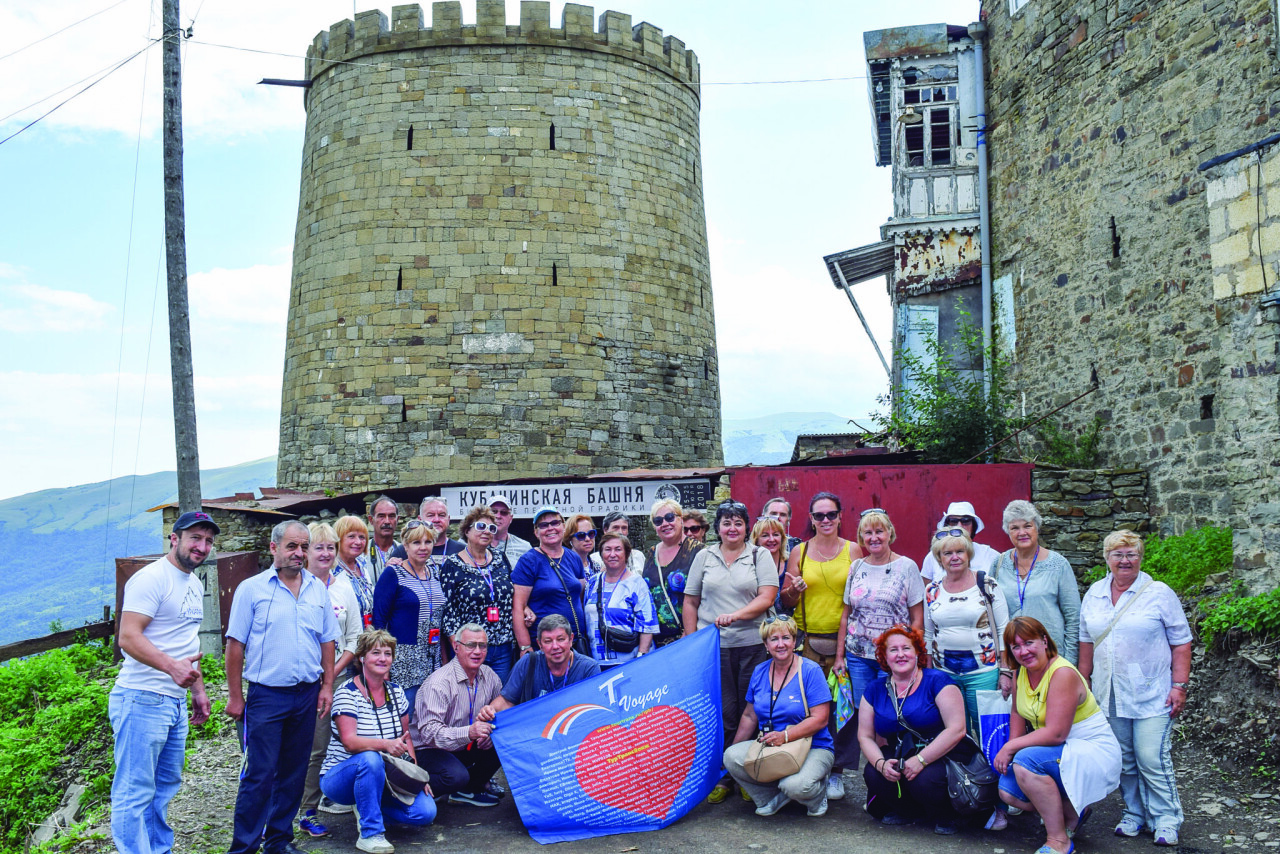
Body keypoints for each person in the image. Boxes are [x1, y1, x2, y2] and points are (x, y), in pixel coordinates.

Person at [225, 519, 340, 854]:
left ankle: (278, 841)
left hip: (306, 694)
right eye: (292, 546)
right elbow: (235, 645)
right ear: (274, 548)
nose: (299, 553)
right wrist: (235, 697)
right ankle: (243, 847)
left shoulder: (317, 589)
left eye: (304, 546)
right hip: (267, 696)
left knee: (293, 773)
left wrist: (327, 686)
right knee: (259, 775)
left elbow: (328, 641)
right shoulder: (252, 589)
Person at [110, 511, 216, 854]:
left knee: (164, 787)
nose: (201, 547)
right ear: (175, 539)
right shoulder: (151, 578)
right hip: (141, 697)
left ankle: (158, 849)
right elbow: (128, 637)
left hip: (173, 702)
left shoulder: (194, 582)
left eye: (208, 541)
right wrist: (172, 668)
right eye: (195, 538)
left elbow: (187, 640)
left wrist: (197, 690)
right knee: (134, 790)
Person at [1078, 530, 1192, 847]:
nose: (1124, 560)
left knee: (1151, 758)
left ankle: (1166, 819)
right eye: (1118, 554)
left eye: (1131, 554)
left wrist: (1179, 686)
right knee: (1124, 760)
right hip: (1108, 693)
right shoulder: (1095, 594)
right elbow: (1086, 642)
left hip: (1153, 692)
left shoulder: (1158, 593)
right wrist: (1083, 683)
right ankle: (1134, 814)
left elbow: (1182, 643)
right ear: (1107, 558)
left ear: (1140, 558)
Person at [994, 617, 1121, 854]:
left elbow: (1056, 733)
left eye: (1029, 642)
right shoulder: (1020, 673)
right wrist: (1012, 745)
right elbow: (1017, 713)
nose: (1024, 651)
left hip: (1090, 749)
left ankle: (1059, 840)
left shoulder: (1062, 673)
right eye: (1016, 646)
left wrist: (1010, 748)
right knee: (1007, 791)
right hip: (1061, 750)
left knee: (1026, 763)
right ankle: (1072, 811)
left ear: (1044, 641)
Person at [683, 500, 779, 804]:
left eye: (738, 522)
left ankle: (748, 776)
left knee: (751, 712)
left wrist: (736, 616)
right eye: (726, 522)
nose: (732, 528)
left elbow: (767, 597)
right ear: (718, 528)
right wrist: (691, 642)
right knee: (724, 713)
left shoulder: (758, 554)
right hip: (714, 648)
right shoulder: (704, 556)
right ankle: (723, 777)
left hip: (752, 645)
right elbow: (690, 602)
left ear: (746, 526)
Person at [319, 629, 435, 854]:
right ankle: (370, 833)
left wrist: (415, 775)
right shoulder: (347, 693)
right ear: (362, 657)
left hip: (385, 776)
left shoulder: (397, 691)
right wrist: (385, 744)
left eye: (388, 653)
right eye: (376, 653)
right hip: (340, 776)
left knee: (425, 813)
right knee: (370, 758)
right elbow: (350, 743)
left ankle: (367, 805)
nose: (383, 658)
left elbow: (406, 736)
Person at [779, 492, 862, 801]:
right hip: (809, 641)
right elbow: (787, 601)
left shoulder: (854, 550)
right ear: (811, 519)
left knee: (843, 709)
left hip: (847, 643)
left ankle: (837, 772)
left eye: (831, 514)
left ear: (840, 516)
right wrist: (793, 590)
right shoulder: (799, 552)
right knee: (809, 708)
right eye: (819, 515)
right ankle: (809, 767)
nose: (825, 520)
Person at [857, 625, 968, 834]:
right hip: (901, 750)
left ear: (917, 651)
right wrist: (881, 764)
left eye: (906, 648)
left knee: (924, 780)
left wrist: (921, 760)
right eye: (893, 650)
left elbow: (957, 729)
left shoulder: (938, 681)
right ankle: (909, 811)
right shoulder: (875, 689)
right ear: (884, 656)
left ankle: (948, 815)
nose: (900, 655)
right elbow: (865, 736)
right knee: (873, 773)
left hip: (942, 751)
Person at [722, 616, 834, 818]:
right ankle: (773, 796)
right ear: (766, 644)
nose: (780, 644)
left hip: (812, 746)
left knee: (796, 786)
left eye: (786, 638)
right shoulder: (759, 671)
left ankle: (815, 795)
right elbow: (749, 715)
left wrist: (785, 736)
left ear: (794, 641)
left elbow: (821, 719)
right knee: (731, 757)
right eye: (774, 639)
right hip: (771, 746)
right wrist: (734, 747)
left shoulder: (810, 670)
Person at [298, 522, 365, 838]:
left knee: (334, 744)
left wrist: (334, 671)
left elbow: (354, 636)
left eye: (330, 548)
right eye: (318, 547)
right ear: (306, 551)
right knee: (305, 746)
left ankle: (323, 807)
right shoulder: (296, 585)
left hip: (337, 678)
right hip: (300, 679)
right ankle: (295, 810)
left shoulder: (344, 586)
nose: (325, 553)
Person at [835, 510, 925, 725]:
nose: (873, 537)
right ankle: (873, 757)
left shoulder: (907, 566)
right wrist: (840, 656)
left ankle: (892, 755)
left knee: (891, 710)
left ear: (889, 533)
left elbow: (918, 619)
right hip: (858, 656)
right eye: (868, 533)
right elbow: (846, 615)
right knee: (865, 711)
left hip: (895, 656)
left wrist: (915, 655)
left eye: (879, 531)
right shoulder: (856, 567)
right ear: (861, 537)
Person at [923, 530, 1012, 731]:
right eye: (947, 553)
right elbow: (928, 634)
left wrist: (1006, 671)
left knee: (987, 730)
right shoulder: (932, 590)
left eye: (960, 551)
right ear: (939, 558)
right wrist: (929, 673)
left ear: (968, 554)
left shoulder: (987, 584)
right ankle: (961, 764)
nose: (955, 557)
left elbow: (1003, 629)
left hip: (984, 672)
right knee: (954, 731)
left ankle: (990, 764)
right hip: (944, 673)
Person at [413, 624, 504, 807]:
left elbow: (501, 715)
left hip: (464, 746)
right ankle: (412, 791)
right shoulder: (439, 683)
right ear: (456, 647)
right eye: (470, 645)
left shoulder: (490, 675)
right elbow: (430, 734)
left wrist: (491, 736)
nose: (477, 651)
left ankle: (469, 789)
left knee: (502, 742)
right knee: (455, 776)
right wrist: (470, 733)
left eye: (482, 646)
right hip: (429, 749)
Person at [990, 500, 1081, 664]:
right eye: (1014, 528)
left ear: (1037, 528)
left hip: (1050, 657)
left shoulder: (1058, 565)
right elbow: (989, 613)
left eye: (1027, 526)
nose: (1021, 532)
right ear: (1008, 532)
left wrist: (1070, 662)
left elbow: (1073, 618)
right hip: (1012, 657)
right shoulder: (998, 564)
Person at [373, 520, 446, 714]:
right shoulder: (393, 573)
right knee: (405, 717)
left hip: (433, 657)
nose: (423, 547)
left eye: (428, 542)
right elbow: (379, 622)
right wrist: (383, 664)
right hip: (404, 661)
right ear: (405, 545)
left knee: (430, 715)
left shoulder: (435, 572)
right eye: (416, 542)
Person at [438, 506, 516, 683]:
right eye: (481, 526)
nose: (487, 531)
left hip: (502, 647)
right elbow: (447, 611)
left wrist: (525, 608)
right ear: (467, 530)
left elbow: (512, 591)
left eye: (491, 528)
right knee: (470, 698)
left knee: (499, 699)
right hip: (470, 649)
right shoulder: (452, 564)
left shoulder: (500, 558)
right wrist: (457, 645)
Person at [478, 615, 601, 715]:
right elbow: (507, 701)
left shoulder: (588, 668)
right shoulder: (529, 662)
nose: (555, 646)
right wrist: (490, 711)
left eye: (560, 639)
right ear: (539, 644)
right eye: (548, 641)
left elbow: (594, 710)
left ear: (571, 639)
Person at [511, 506, 590, 657]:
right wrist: (525, 646)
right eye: (543, 525)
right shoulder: (529, 561)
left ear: (563, 526)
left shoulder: (574, 558)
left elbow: (579, 597)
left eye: (555, 523)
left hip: (575, 642)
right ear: (536, 532)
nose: (550, 528)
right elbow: (518, 607)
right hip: (546, 646)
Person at [584, 533, 658, 667]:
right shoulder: (593, 582)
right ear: (601, 554)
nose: (612, 554)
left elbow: (647, 626)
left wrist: (641, 658)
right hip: (597, 663)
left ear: (627, 553)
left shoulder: (636, 583)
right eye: (607, 549)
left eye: (618, 549)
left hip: (629, 662)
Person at [643, 497, 702, 646]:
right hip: (656, 643)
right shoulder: (651, 553)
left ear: (681, 519)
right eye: (658, 521)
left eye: (669, 517)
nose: (665, 524)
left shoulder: (698, 551)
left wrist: (689, 634)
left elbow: (706, 596)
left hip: (688, 638)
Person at [919, 501, 1001, 582]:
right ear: (947, 525)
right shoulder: (933, 556)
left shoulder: (989, 555)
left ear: (974, 526)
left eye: (966, 521)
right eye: (953, 521)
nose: (959, 526)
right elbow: (927, 591)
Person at [390, 497, 465, 569]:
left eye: (441, 515)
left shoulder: (462, 550)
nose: (436, 519)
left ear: (448, 519)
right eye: (431, 515)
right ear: (420, 519)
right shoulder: (404, 550)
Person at [334, 515, 375, 623]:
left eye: (362, 537)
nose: (358, 542)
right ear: (339, 538)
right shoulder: (332, 570)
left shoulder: (363, 564)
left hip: (368, 635)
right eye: (351, 536)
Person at [487, 494, 532, 566]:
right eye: (493, 511)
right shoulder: (472, 543)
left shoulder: (525, 547)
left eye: (504, 512)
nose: (498, 516)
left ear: (511, 518)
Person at [751, 515, 789, 594]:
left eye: (776, 534)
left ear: (782, 538)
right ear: (756, 540)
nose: (771, 539)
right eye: (765, 535)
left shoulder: (790, 563)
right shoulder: (749, 566)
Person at [366, 496, 400, 583]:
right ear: (371, 520)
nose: (387, 521)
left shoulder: (405, 552)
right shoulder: (361, 553)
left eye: (391, 516)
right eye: (381, 516)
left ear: (398, 519)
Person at [563, 513, 598, 578]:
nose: (587, 539)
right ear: (570, 539)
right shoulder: (565, 567)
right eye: (581, 535)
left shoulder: (596, 565)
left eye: (591, 534)